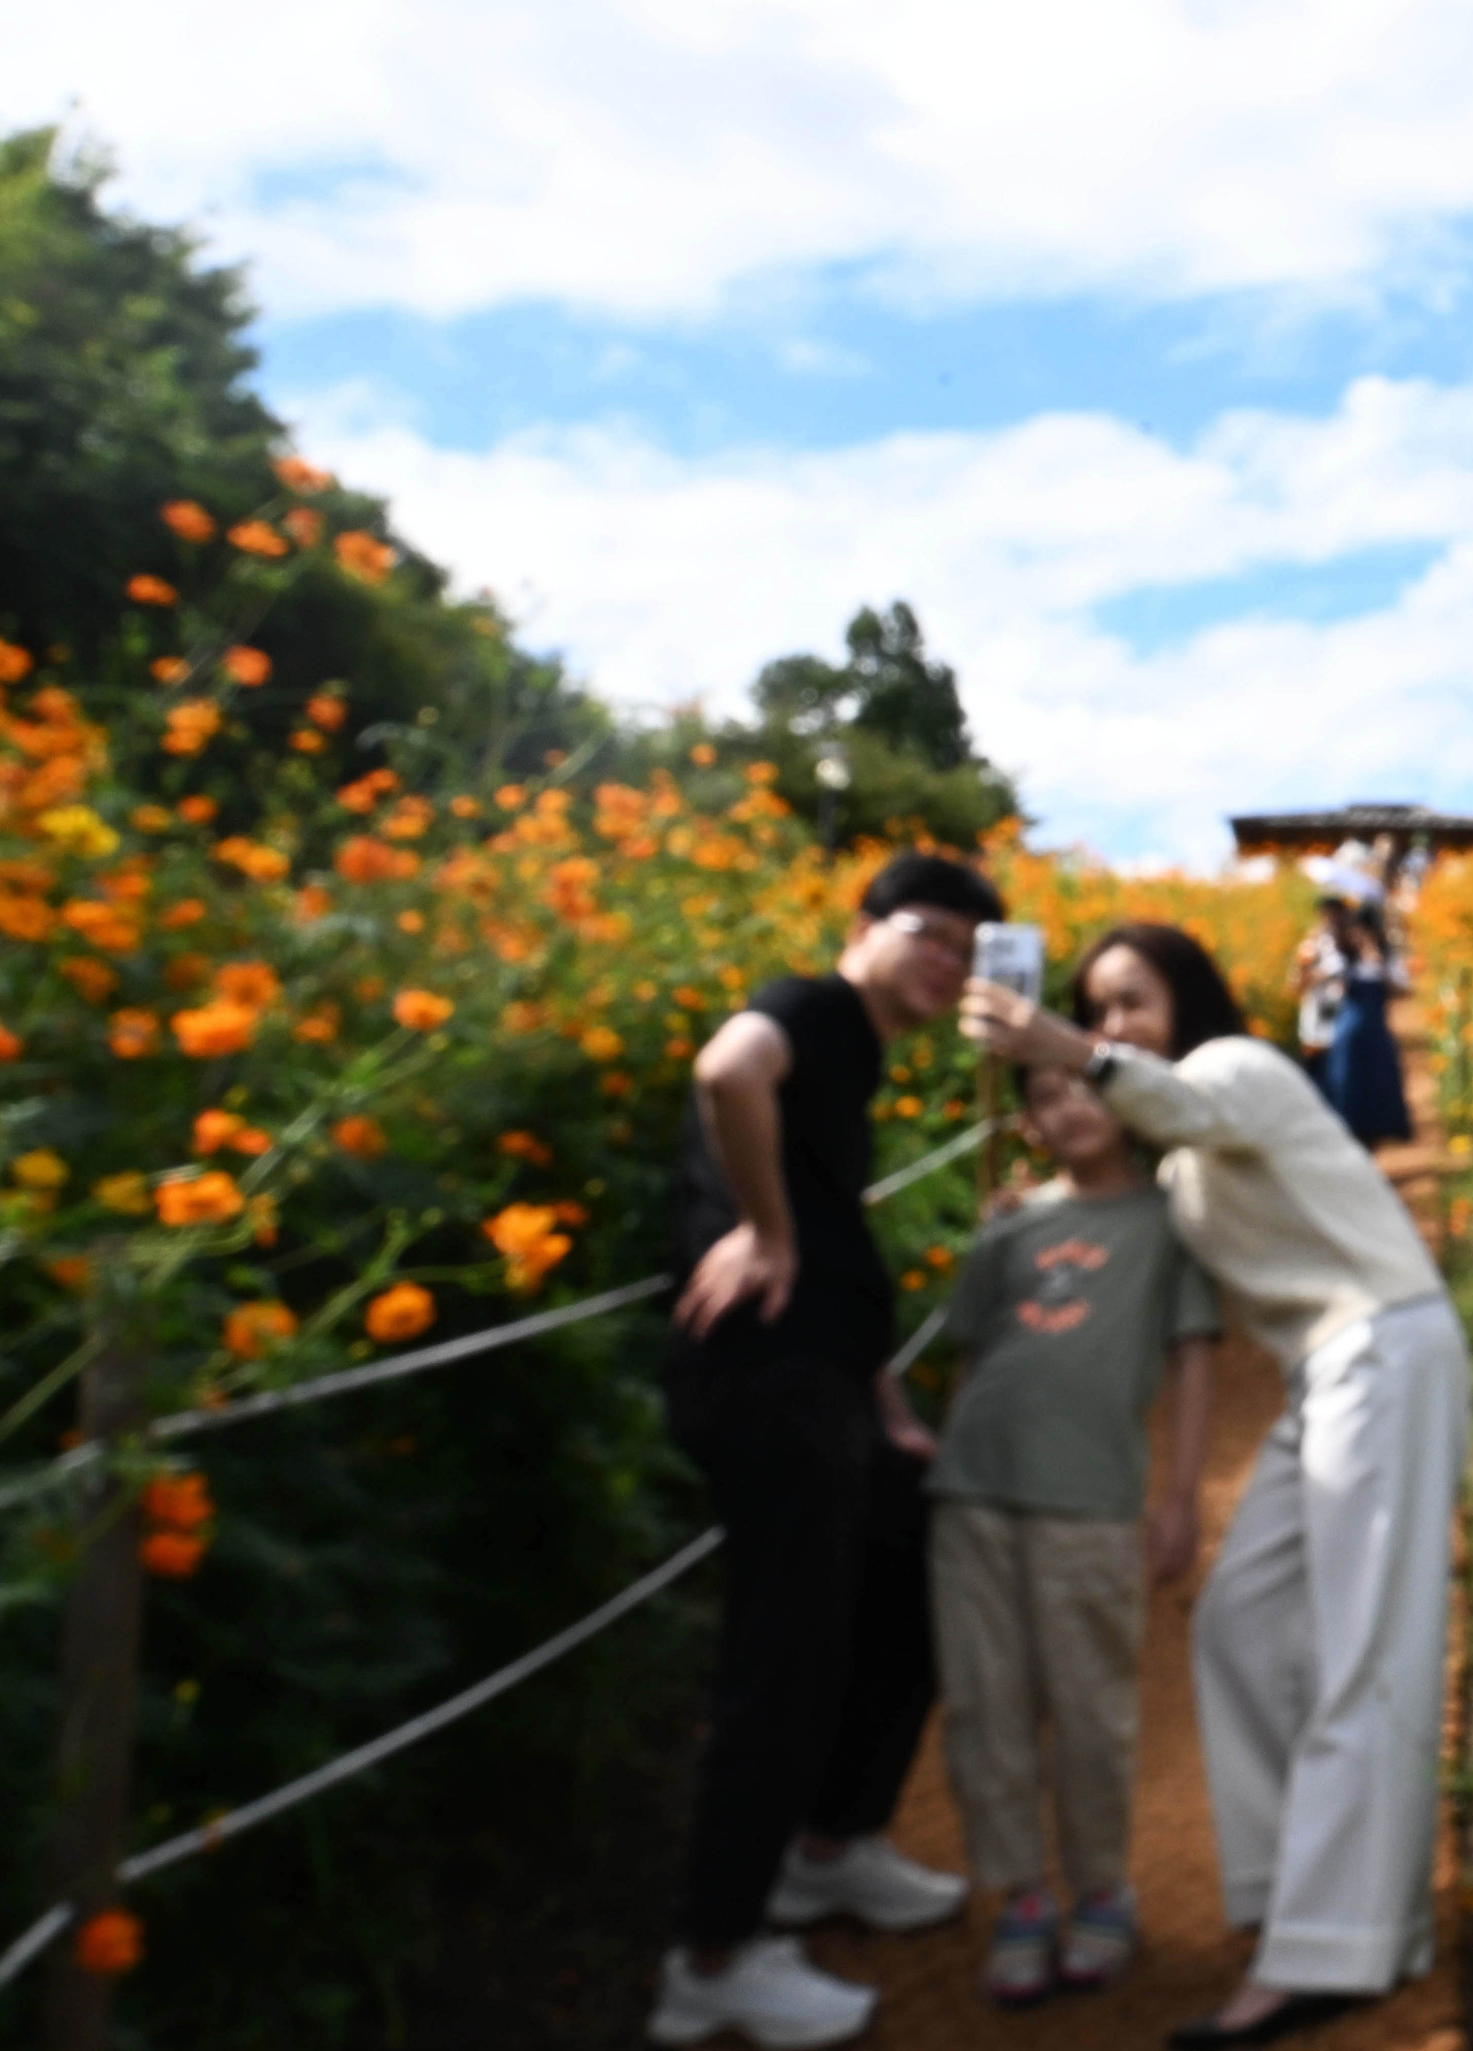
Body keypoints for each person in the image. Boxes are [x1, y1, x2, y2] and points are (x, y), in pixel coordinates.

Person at [963, 922, 1464, 2049]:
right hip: (1328, 1374)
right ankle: (1323, 1905)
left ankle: (1322, 1957)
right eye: (1096, 1007)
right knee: (1238, 1625)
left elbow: (1177, 1102)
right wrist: (1030, 1207)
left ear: (1186, 998)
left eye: (1131, 1000)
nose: (1113, 1025)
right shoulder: (1181, 1140)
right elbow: (1137, 1183)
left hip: (1382, 1348)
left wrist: (1058, 1042)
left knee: (1360, 1652)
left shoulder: (1237, 1071)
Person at [652, 852, 999, 2051]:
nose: (948, 960)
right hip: (763, 1382)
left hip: (826, 1385)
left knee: (909, 1567)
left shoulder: (853, 1051)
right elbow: (725, 1069)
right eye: (931, 933)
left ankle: (827, 1846)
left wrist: (882, 1391)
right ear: (864, 927)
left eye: (965, 947)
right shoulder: (806, 1005)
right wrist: (761, 1228)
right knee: (784, 1661)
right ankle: (712, 1958)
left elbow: (833, 1235)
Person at [927, 1062, 1221, 2007]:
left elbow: (1195, 1361)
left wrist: (1179, 1495)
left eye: (1082, 1086)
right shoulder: (1010, 1222)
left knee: (1092, 1706)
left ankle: (1101, 1886)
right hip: (973, 1492)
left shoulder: (1173, 1222)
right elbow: (973, 1355)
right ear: (1027, 1121)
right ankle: (1019, 1895)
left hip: (1091, 1501)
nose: (1069, 1109)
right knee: (985, 1703)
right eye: (1045, 1097)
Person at [1312, 879, 1412, 1150]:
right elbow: (1326, 987)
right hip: (1347, 1036)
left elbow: (1402, 990)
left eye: (1364, 932)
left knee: (1377, 1087)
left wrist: (1376, 959)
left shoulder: (1384, 961)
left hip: (1376, 1034)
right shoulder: (1340, 960)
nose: (1359, 937)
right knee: (1347, 1088)